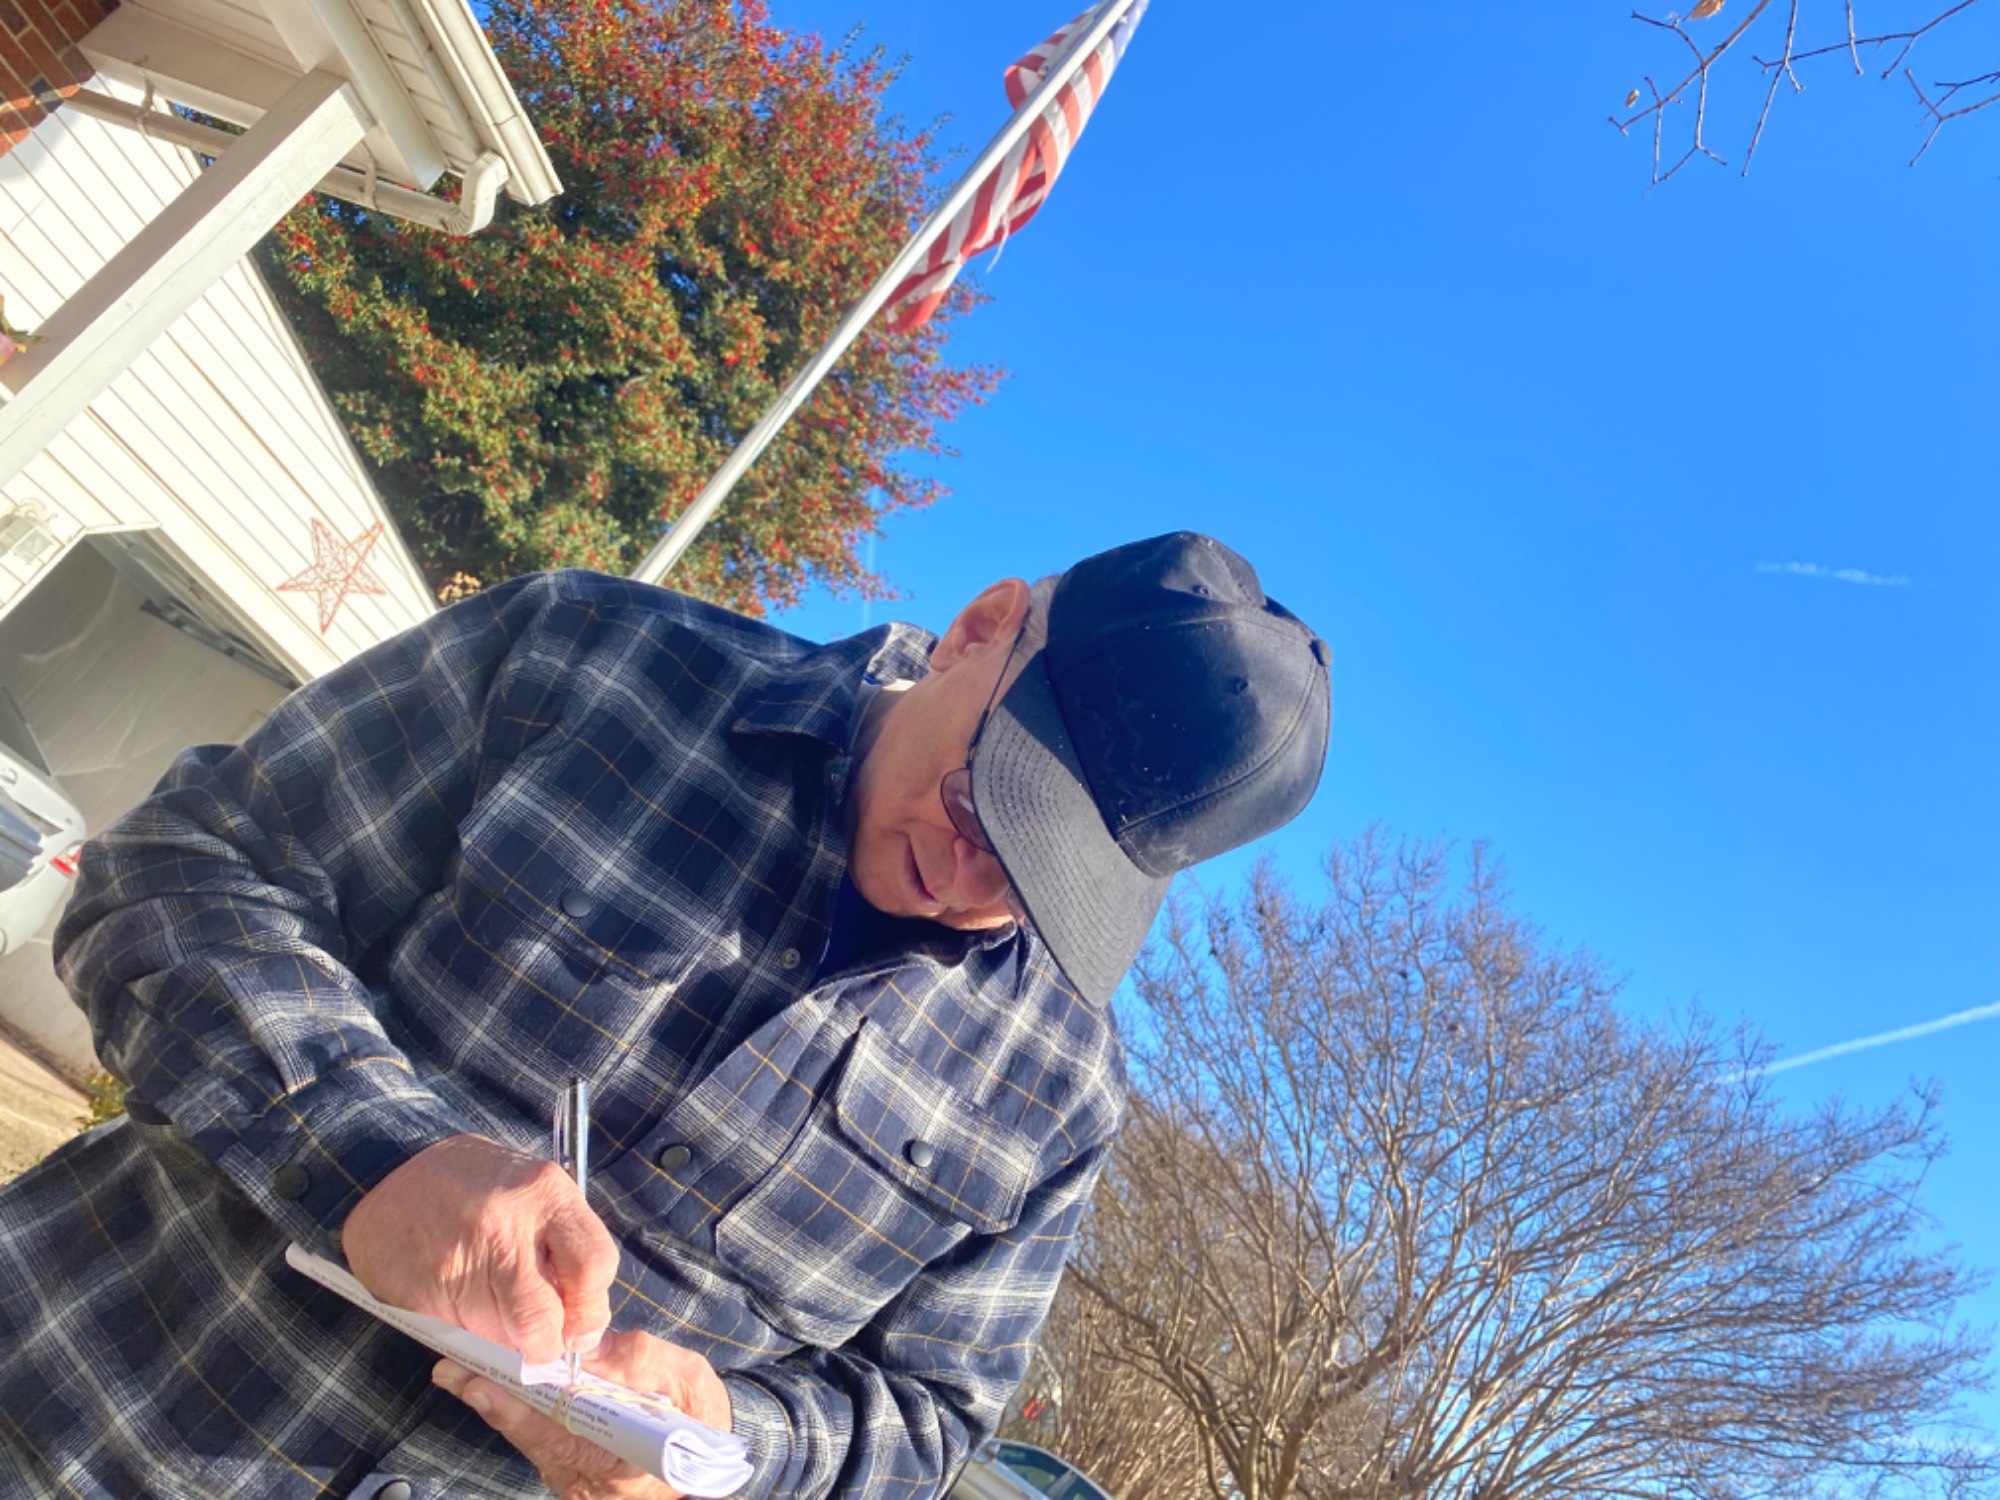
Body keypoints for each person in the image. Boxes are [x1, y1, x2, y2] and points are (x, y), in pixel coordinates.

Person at [0, 530, 1331, 1500]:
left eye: (1046, 882)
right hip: (63, 1408)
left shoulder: (1059, 1094)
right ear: (980, 628)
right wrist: (367, 1150)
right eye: (993, 799)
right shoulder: (592, 659)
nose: (974, 878)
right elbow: (181, 866)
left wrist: (727, 1443)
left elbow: (927, 1417)